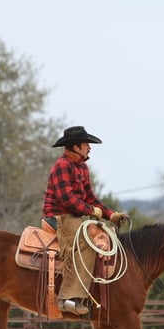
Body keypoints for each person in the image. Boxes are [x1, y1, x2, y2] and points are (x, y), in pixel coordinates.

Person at [42, 126, 127, 316]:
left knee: (105, 237)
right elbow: (67, 200)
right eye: (86, 144)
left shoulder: (82, 167)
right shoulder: (62, 166)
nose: (89, 147)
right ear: (76, 146)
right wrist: (91, 211)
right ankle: (68, 298)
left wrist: (111, 215)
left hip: (75, 216)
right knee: (87, 244)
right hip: (59, 216)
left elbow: (90, 197)